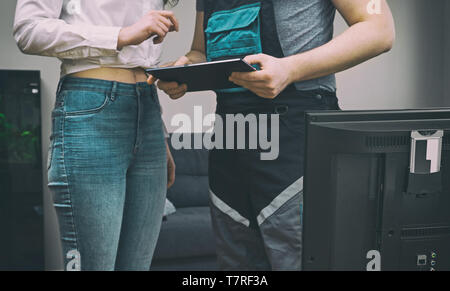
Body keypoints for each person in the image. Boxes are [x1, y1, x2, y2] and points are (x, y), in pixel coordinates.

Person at [150, 0, 395, 271]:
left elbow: (379, 29)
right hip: (230, 147)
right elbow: (200, 51)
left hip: (297, 143)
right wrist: (187, 69)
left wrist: (290, 69)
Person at [14, 0, 179, 271]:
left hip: (147, 111)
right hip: (91, 105)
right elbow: (28, 28)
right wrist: (120, 35)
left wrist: (158, 135)